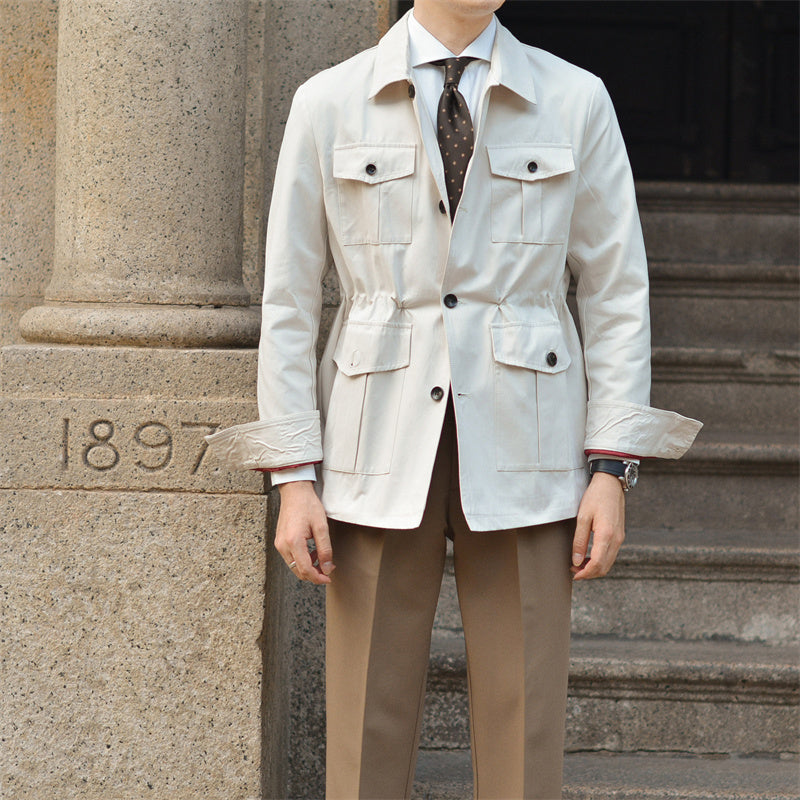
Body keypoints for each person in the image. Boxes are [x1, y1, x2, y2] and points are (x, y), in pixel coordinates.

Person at [207, 1, 702, 797]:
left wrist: (612, 467)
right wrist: (292, 476)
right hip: (374, 440)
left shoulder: (574, 98)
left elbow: (615, 290)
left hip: (529, 443)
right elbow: (290, 300)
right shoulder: (330, 100)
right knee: (365, 729)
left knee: (524, 724)